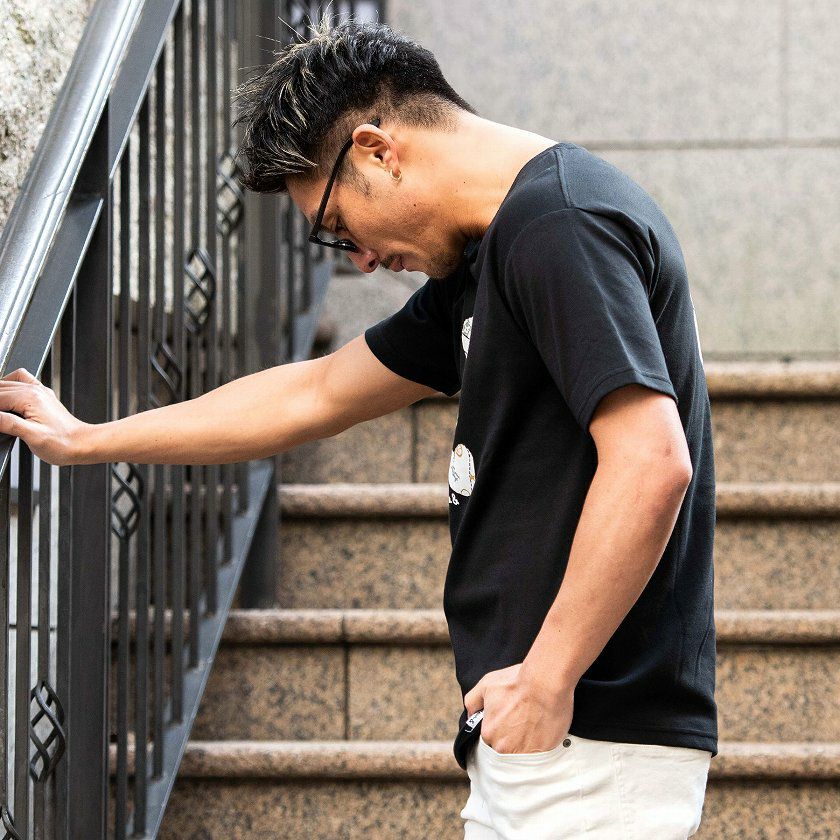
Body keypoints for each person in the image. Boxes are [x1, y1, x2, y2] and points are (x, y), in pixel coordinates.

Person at [0, 18, 717, 839]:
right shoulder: (496, 251)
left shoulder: (559, 225)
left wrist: (548, 679)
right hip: (554, 733)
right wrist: (87, 438)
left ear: (377, 150)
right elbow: (316, 392)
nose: (361, 261)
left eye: (338, 226)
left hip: (588, 733)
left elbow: (652, 461)